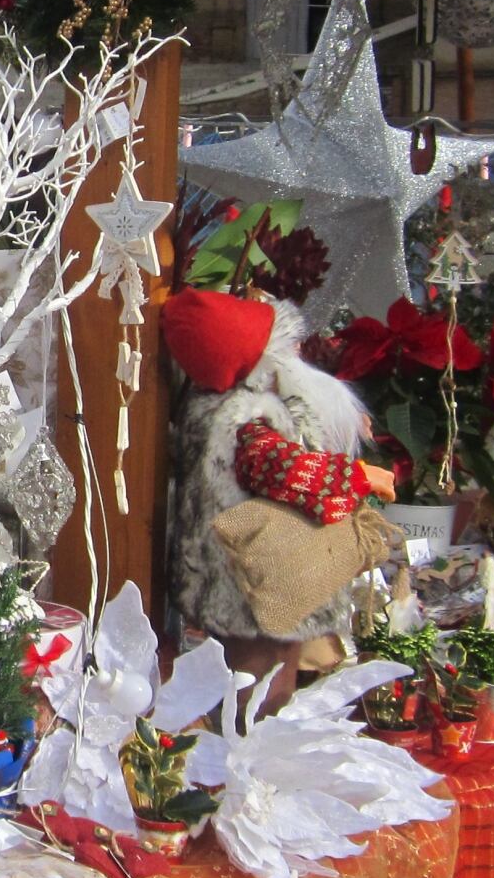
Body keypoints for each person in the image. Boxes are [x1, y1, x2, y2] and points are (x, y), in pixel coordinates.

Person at [163, 286, 396, 686]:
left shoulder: (215, 406)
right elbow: (284, 470)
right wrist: (359, 476)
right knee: (262, 684)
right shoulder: (245, 416)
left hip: (241, 580)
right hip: (254, 588)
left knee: (253, 677)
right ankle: (249, 726)